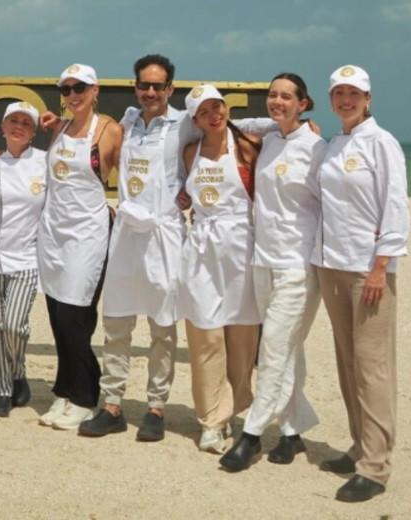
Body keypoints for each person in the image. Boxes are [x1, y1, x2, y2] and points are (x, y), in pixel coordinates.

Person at [77, 54, 192, 441]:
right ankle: (111, 405)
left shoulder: (184, 122)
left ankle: (156, 408)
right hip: (126, 232)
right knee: (117, 322)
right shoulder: (125, 122)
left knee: (162, 327)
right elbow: (81, 128)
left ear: (171, 89)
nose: (151, 92)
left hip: (164, 235)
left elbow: (226, 129)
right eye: (144, 84)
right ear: (135, 86)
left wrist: (299, 125)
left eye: (158, 85)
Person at [219, 72, 327, 471]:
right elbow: (236, 123)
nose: (277, 101)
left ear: (304, 103)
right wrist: (272, 121)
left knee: (273, 349)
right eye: (272, 95)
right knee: (288, 351)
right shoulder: (271, 138)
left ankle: (251, 434)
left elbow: (329, 207)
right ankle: (292, 432)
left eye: (287, 97)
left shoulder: (316, 148)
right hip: (262, 260)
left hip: (298, 267)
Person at [313, 65, 409, 503]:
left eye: (354, 93)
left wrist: (380, 265)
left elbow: (395, 204)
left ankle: (375, 466)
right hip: (331, 265)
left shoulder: (382, 143)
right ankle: (359, 446)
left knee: (372, 368)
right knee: (348, 362)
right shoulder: (333, 144)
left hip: (367, 271)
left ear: (369, 99)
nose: (346, 100)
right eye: (339, 93)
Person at [177, 84, 262, 453]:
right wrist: (184, 197)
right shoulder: (190, 152)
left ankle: (236, 404)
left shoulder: (246, 146)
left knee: (242, 341)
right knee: (205, 336)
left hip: (242, 251)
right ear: (195, 120)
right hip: (202, 253)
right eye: (204, 111)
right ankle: (211, 420)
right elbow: (183, 191)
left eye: (218, 106)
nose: (214, 114)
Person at [37, 63, 123, 430]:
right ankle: (65, 392)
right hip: (53, 232)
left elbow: (138, 173)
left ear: (95, 89)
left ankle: (87, 396)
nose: (73, 95)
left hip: (87, 234)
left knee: (77, 318)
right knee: (57, 315)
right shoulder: (59, 127)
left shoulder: (110, 130)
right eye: (68, 89)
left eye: (80, 87)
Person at [0, 102, 46, 418]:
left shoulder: (45, 163)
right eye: (13, 121)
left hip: (27, 257)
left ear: (34, 130)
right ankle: (2, 390)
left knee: (14, 326)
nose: (19, 127)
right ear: (3, 127)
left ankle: (18, 370)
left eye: (26, 123)